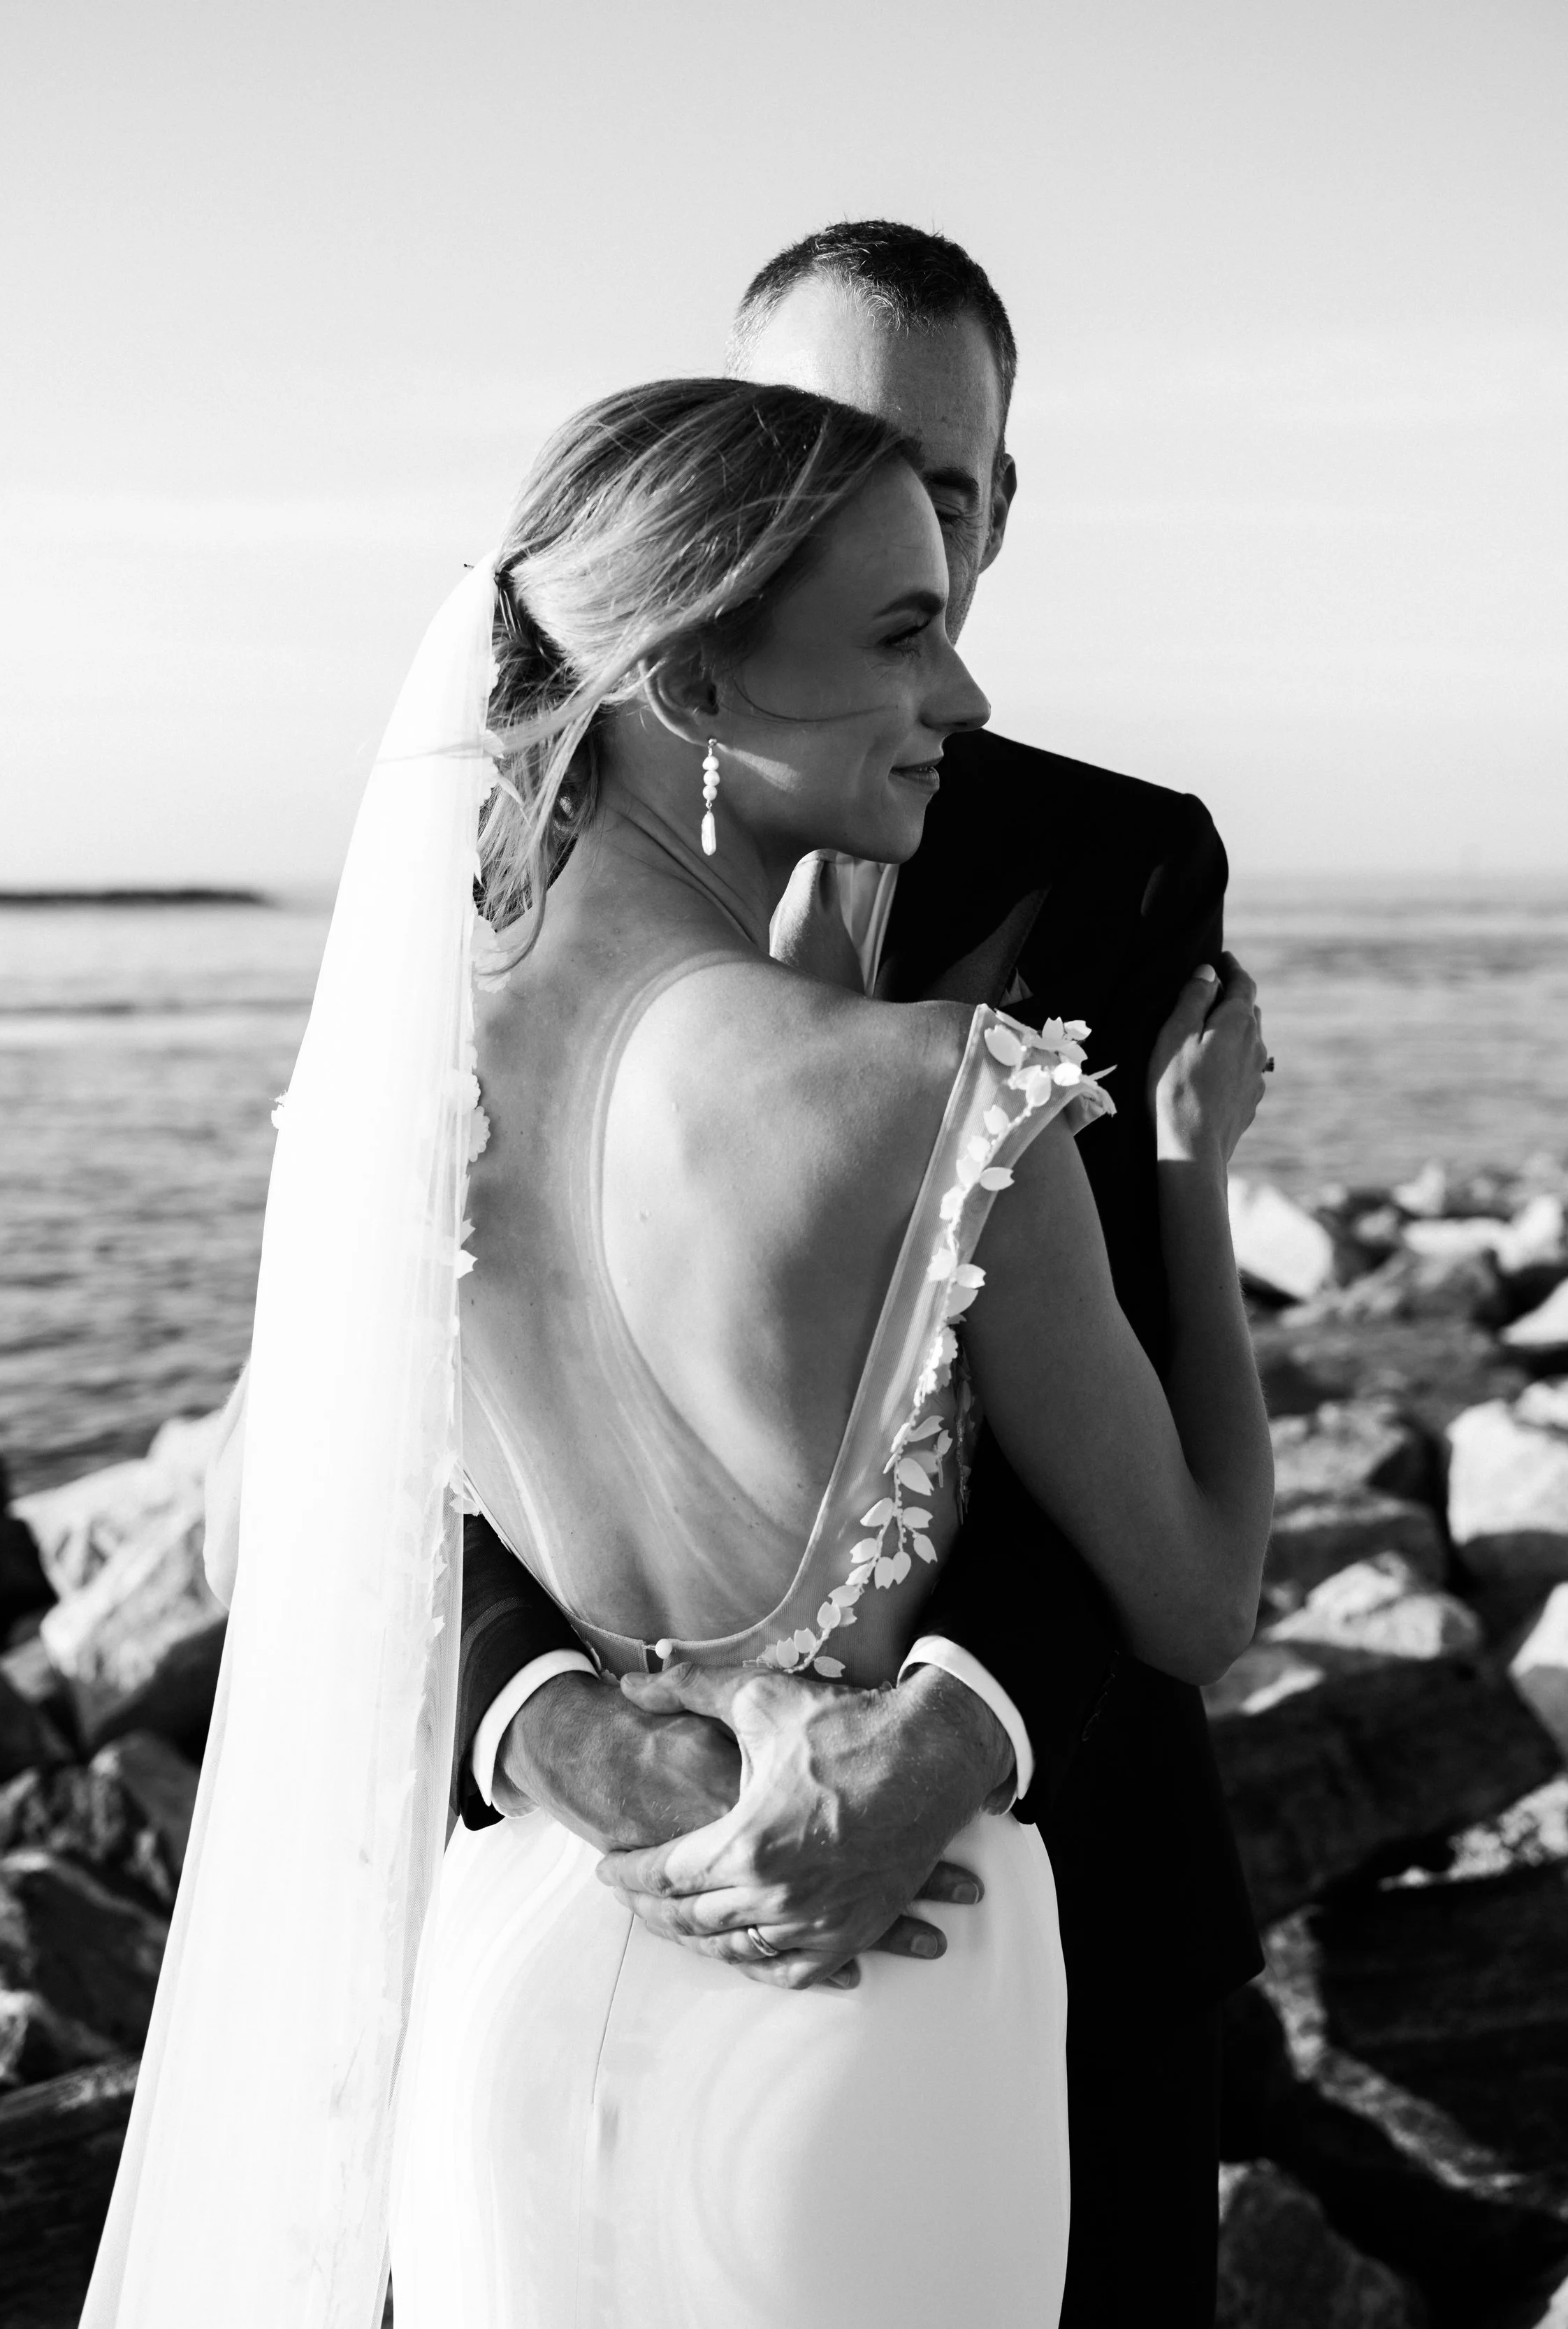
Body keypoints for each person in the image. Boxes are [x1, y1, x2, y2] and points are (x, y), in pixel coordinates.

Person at [456, 223, 1267, 2326]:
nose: (917, 554)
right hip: (612, 1911)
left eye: (950, 491)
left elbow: (1116, 1444)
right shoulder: (476, 945)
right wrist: (554, 1730)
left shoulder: (1122, 860)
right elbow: (350, 1464)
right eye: (821, 452)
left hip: (1036, 1871)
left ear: (1001, 498)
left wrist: (949, 1731)